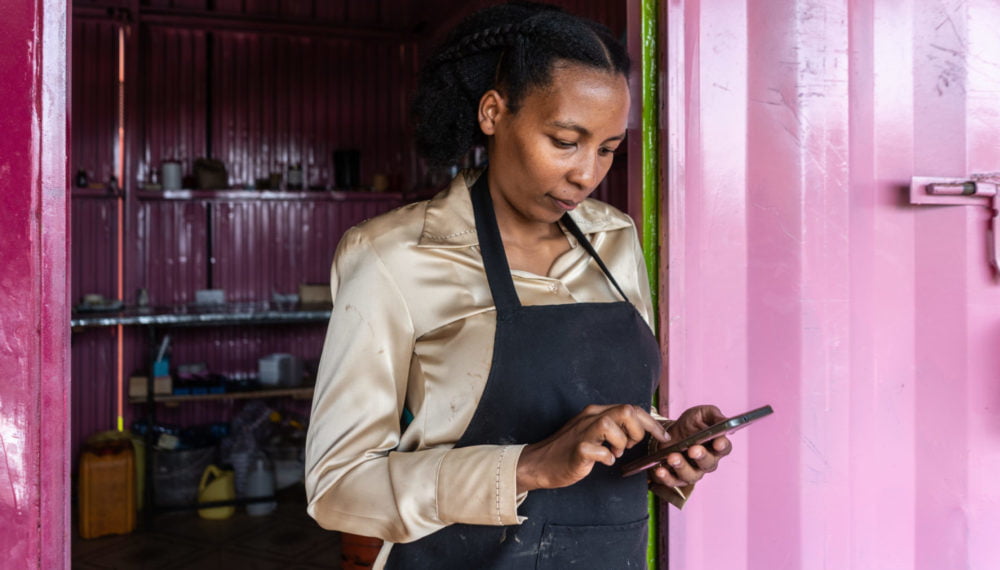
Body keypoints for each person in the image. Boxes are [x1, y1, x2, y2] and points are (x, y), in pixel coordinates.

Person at [305, 3, 732, 568]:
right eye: (564, 140)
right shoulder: (392, 255)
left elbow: (608, 436)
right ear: (493, 112)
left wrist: (664, 449)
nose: (587, 174)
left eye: (607, 149)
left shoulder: (615, 240)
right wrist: (528, 464)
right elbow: (337, 486)